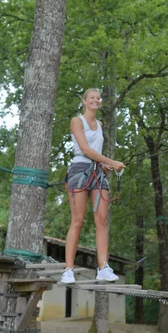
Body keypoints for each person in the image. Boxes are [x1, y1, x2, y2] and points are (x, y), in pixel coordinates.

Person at [61, 88, 126, 284]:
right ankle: (68, 270)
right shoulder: (76, 121)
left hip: (97, 172)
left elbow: (95, 153)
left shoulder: (100, 124)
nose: (96, 100)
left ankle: (103, 267)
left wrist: (105, 165)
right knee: (78, 221)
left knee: (102, 220)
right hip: (79, 170)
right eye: (92, 98)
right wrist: (113, 162)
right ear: (84, 101)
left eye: (98, 98)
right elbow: (86, 150)